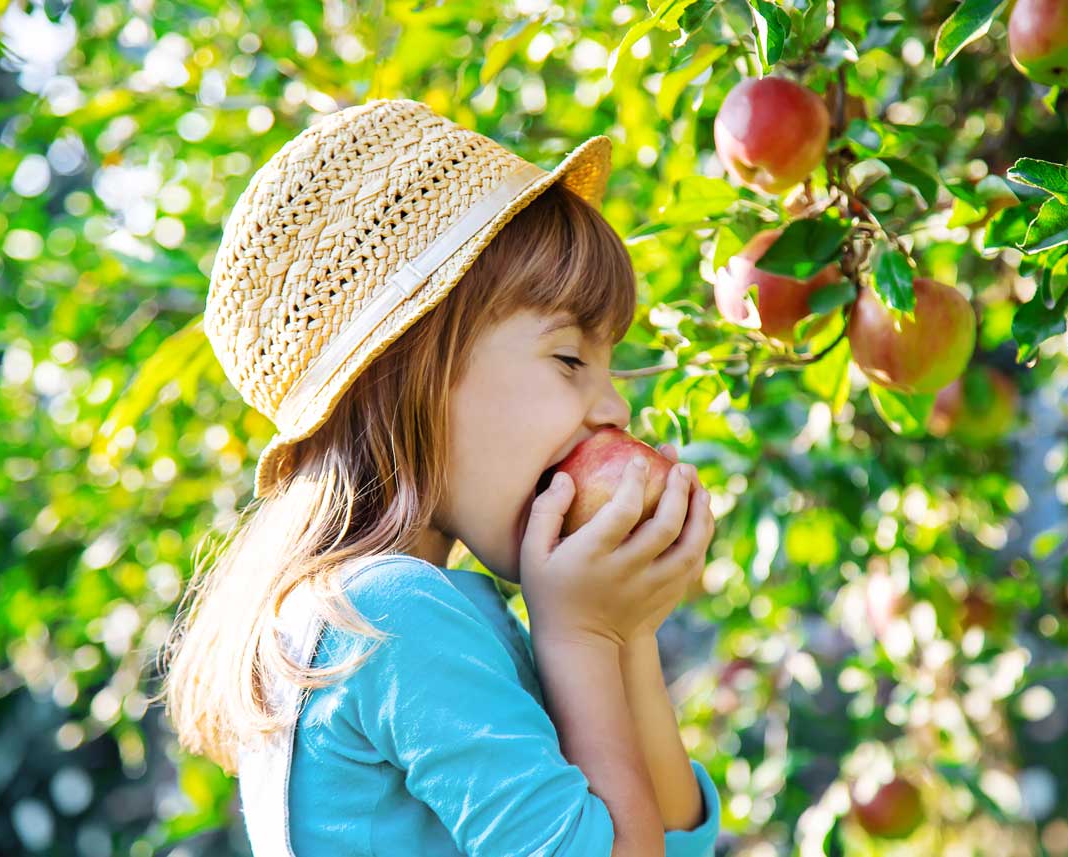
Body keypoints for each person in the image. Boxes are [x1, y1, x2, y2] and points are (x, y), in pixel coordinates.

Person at [154, 98, 721, 855]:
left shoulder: (379, 614)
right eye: (569, 359)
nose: (615, 406)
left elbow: (673, 840)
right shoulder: (388, 618)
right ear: (414, 372)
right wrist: (583, 633)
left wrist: (627, 634)